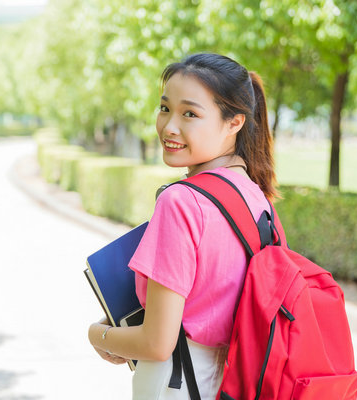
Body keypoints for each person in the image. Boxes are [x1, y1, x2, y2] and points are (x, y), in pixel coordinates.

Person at [87, 52, 278, 400]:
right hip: (240, 380)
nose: (169, 127)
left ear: (235, 122)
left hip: (178, 381)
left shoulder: (181, 202)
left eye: (190, 113)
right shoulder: (257, 199)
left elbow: (157, 342)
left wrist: (98, 335)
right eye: (165, 109)